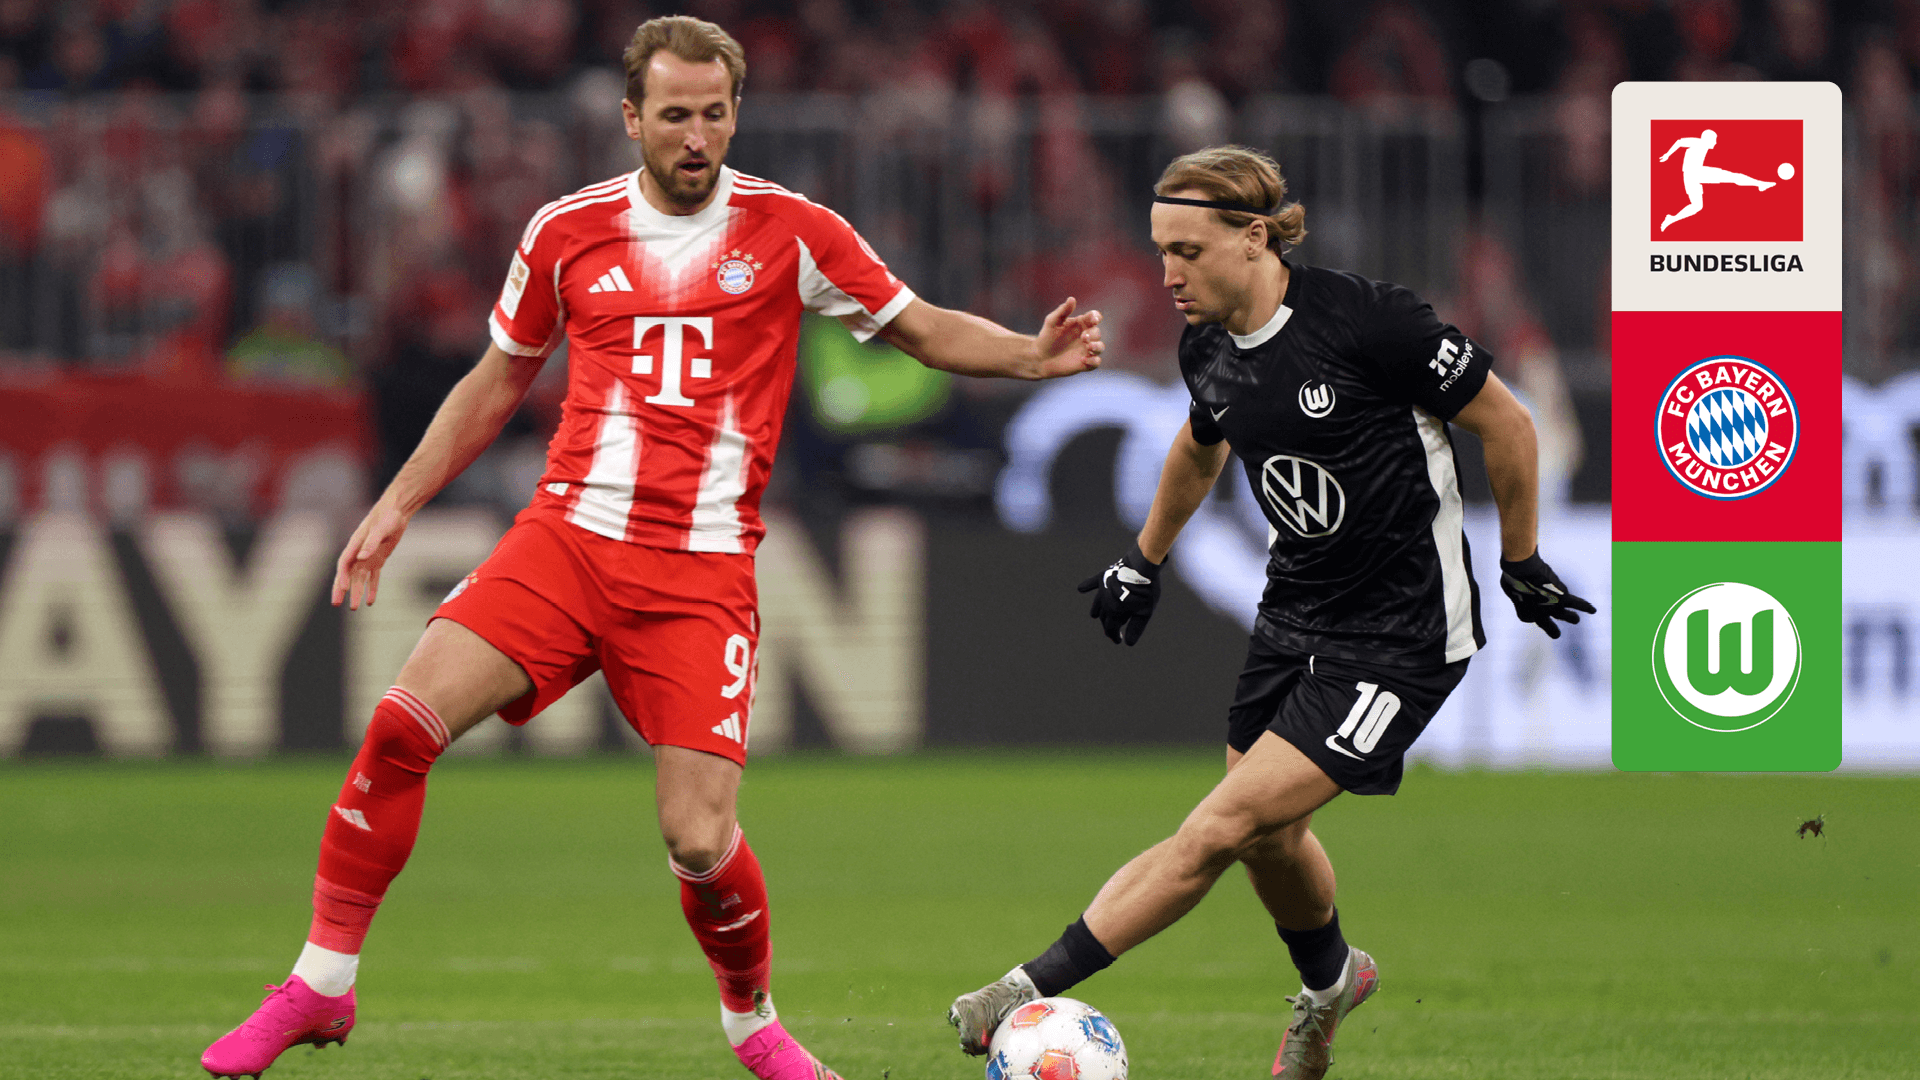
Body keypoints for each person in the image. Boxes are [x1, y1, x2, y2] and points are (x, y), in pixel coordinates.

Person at [199, 16, 1104, 1080]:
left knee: (698, 841)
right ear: (632, 117)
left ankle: (754, 1026)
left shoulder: (793, 229)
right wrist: (398, 502)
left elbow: (915, 324)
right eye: (675, 115)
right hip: (568, 540)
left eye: (714, 113)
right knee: (402, 725)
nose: (696, 136)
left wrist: (1028, 357)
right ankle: (320, 984)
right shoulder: (565, 230)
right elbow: (498, 378)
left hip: (699, 571)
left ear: (736, 113)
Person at [947, 145, 1592, 1080]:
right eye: (1160, 250)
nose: (1167, 274)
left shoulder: (1370, 321)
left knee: (1218, 828)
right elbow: (1199, 445)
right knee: (1270, 840)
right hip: (1293, 619)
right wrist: (1143, 559)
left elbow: (1510, 422)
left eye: (1188, 251)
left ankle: (1021, 988)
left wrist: (1520, 558)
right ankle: (1333, 982)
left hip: (1401, 637)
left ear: (1254, 238)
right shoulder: (1207, 345)